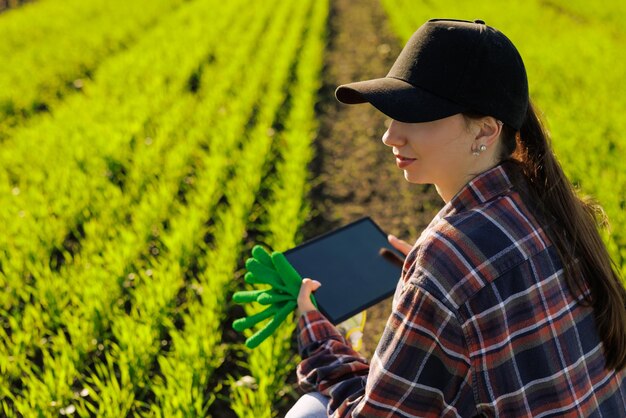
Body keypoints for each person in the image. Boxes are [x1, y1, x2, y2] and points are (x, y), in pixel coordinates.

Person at [285, 18, 626, 417]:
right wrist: (441, 299)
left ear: (485, 131)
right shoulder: (544, 204)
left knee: (311, 410)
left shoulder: (447, 257)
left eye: (414, 114)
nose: (390, 136)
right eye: (391, 113)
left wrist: (319, 337)